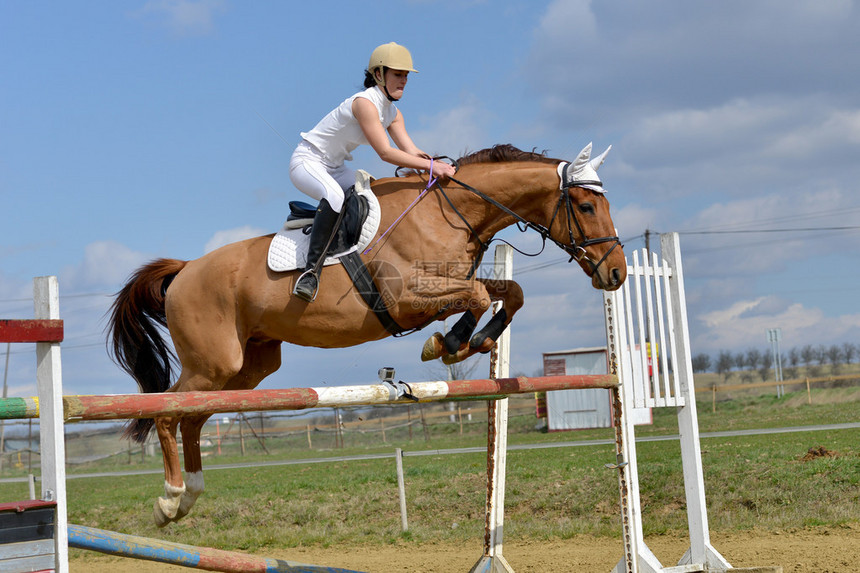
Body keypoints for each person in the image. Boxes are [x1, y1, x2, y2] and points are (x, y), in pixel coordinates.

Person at [289, 41, 457, 302]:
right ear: (379, 74)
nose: (404, 81)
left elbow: (411, 152)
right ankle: (310, 273)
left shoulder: (393, 113)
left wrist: (439, 165)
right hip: (307, 162)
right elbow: (386, 153)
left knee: (374, 195)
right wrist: (434, 166)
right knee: (334, 196)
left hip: (335, 168)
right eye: (398, 75)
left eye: (406, 76)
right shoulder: (364, 103)